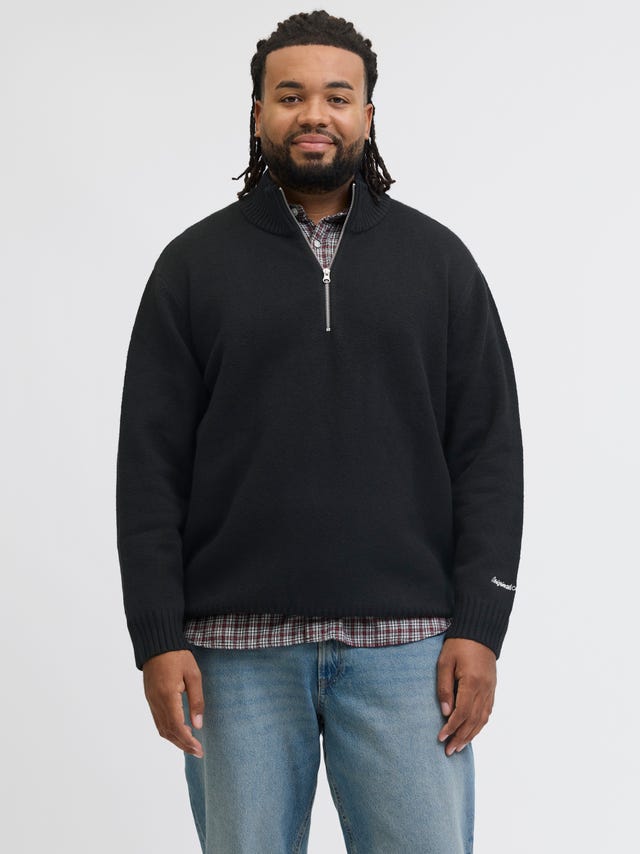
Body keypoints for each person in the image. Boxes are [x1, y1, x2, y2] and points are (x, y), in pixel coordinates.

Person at [116, 10, 524, 853]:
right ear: (258, 112)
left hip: (408, 652)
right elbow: (150, 466)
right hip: (235, 657)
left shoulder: (439, 263)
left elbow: (488, 452)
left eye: (337, 97)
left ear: (367, 114)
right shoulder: (191, 267)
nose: (314, 114)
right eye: (290, 95)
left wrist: (481, 627)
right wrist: (156, 639)